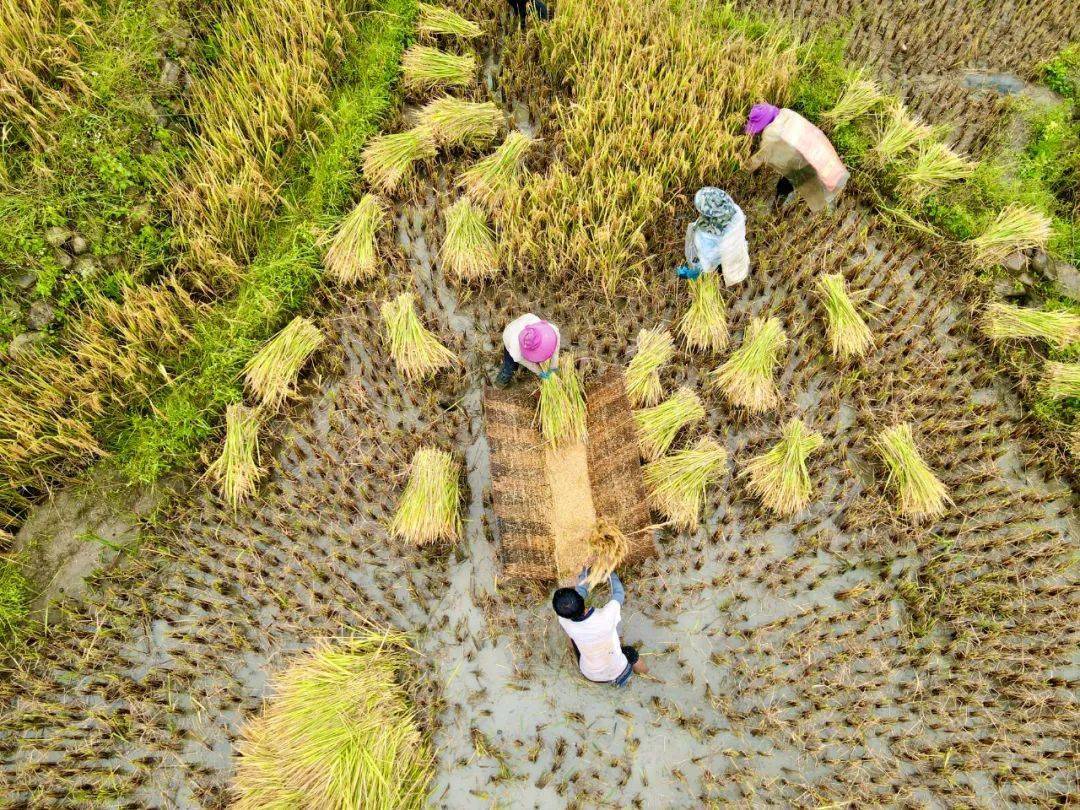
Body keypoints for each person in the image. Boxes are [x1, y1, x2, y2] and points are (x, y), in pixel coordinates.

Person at [744, 102, 849, 213]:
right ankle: (800, 207)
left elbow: (761, 155)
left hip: (805, 160)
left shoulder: (772, 133)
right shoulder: (787, 114)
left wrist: (743, 170)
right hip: (818, 150)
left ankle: (777, 209)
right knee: (820, 181)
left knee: (787, 186)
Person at [552, 567, 648, 686]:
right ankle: (647, 675)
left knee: (573, 638)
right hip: (619, 672)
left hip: (590, 675)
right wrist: (608, 570)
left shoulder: (563, 620)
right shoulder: (606, 616)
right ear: (582, 601)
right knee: (630, 652)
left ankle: (571, 648)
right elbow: (618, 593)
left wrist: (585, 571)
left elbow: (580, 593)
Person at [676, 186, 750, 287]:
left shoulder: (707, 235)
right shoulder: (736, 213)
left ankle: (697, 278)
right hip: (733, 255)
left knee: (700, 270)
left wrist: (693, 270)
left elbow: (706, 261)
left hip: (718, 257)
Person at [495, 313, 560, 387]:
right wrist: (540, 372)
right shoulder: (515, 350)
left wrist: (553, 365)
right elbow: (528, 363)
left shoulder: (551, 330)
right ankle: (502, 380)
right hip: (510, 335)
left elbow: (556, 347)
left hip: (527, 320)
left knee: (536, 360)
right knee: (511, 366)